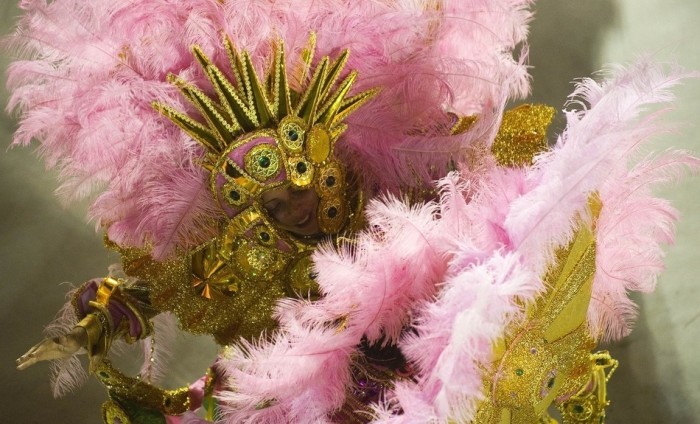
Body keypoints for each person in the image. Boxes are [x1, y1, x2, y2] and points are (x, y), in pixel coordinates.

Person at [8, 1, 696, 423]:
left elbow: (487, 207)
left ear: (330, 150)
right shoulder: (251, 255)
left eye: (304, 177)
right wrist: (95, 316)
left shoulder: (401, 178)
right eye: (277, 204)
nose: (301, 206)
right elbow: (166, 285)